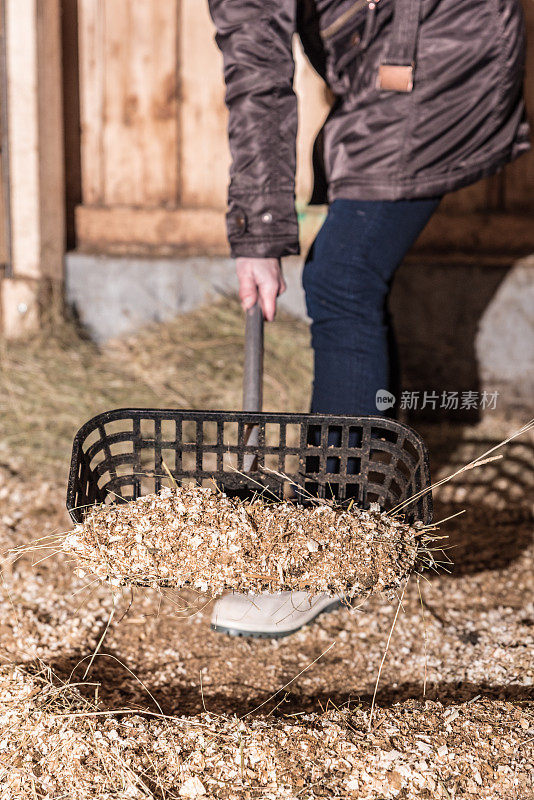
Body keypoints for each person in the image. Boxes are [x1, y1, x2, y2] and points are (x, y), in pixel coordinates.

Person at [207, 0, 530, 637]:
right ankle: (377, 509)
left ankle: (331, 549)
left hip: (439, 43)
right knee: (353, 276)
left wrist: (259, 235)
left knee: (344, 278)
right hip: (409, 44)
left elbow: (258, 74)